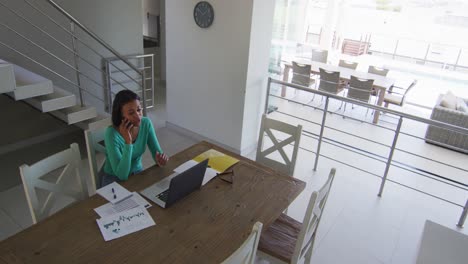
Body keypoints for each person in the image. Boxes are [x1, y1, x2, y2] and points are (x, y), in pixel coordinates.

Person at [101, 90, 168, 187]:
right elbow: (122, 175)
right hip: (113, 180)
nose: (138, 116)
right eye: (131, 113)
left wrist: (161, 160)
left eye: (139, 110)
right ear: (121, 116)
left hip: (137, 174)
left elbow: (157, 154)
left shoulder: (146, 123)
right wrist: (128, 142)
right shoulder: (111, 133)